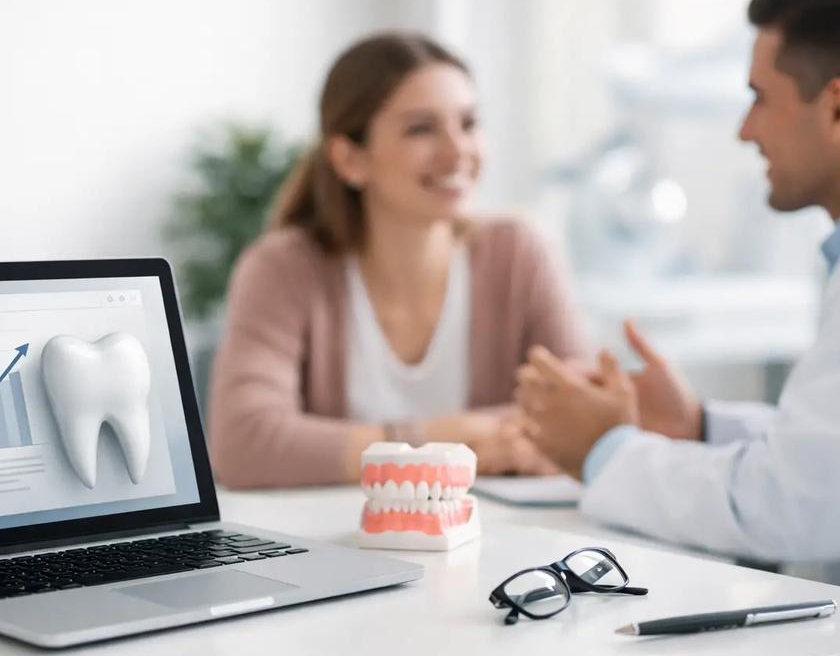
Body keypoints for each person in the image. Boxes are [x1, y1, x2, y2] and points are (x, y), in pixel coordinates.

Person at [517, 0, 840, 611]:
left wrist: (605, 451)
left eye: (760, 97)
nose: (744, 129)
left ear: (839, 108)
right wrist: (700, 425)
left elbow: (795, 505)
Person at [210, 32, 591, 488]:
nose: (458, 152)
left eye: (468, 124)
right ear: (350, 158)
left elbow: (582, 415)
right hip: (341, 545)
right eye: (421, 129)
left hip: (492, 538)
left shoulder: (518, 253)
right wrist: (445, 441)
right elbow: (245, 445)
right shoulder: (283, 269)